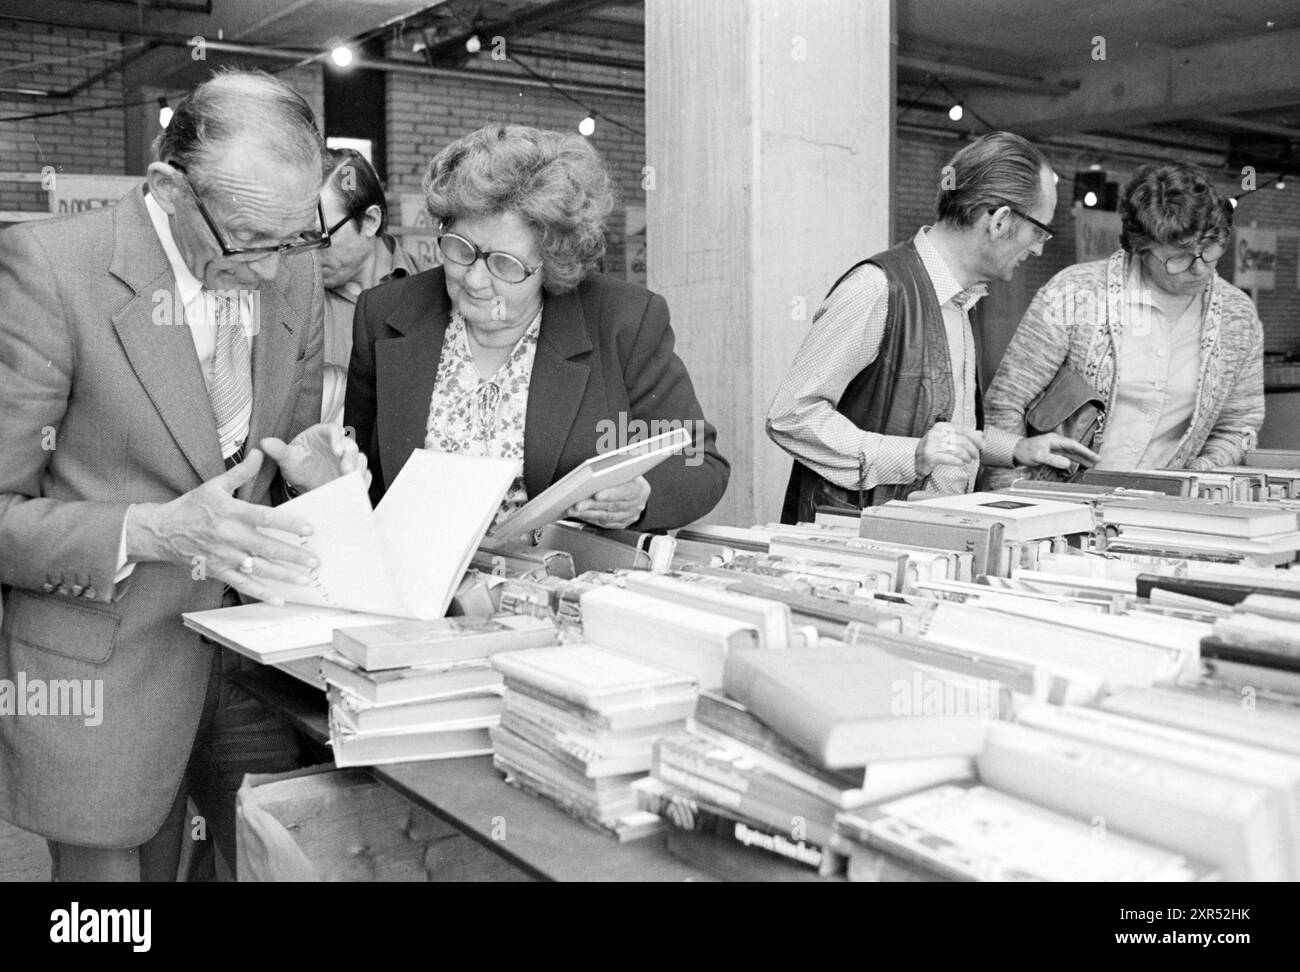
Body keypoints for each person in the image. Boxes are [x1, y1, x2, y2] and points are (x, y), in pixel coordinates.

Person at [0, 69, 366, 881]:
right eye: (247, 239)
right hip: (105, 674)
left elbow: (275, 461)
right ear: (167, 188)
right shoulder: (53, 269)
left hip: (253, 672)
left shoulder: (295, 273)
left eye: (295, 237)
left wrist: (321, 480)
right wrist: (151, 530)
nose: (273, 271)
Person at [345, 124, 729, 531]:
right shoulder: (384, 315)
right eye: (461, 248)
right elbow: (358, 472)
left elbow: (698, 460)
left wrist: (643, 495)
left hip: (562, 580)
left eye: (505, 264)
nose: (474, 280)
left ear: (555, 261)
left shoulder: (623, 321)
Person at [769, 131, 1098, 524]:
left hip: (920, 540)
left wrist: (1017, 449)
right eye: (1039, 231)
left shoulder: (961, 299)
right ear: (1000, 221)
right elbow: (791, 416)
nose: (1039, 249)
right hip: (857, 544)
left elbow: (944, 436)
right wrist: (910, 456)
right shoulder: (877, 289)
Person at [983, 160, 1264, 479]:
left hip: (1164, 510)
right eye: (1179, 258)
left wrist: (1197, 476)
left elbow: (1239, 425)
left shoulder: (1236, 315)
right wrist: (1011, 497)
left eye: (1211, 251)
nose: (1199, 268)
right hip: (1055, 504)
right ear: (1141, 248)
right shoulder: (1074, 292)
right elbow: (1006, 402)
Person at [318, 148, 418, 426]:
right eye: (300, 236)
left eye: (320, 237)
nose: (308, 251)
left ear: (370, 221)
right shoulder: (293, 298)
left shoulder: (432, 290)